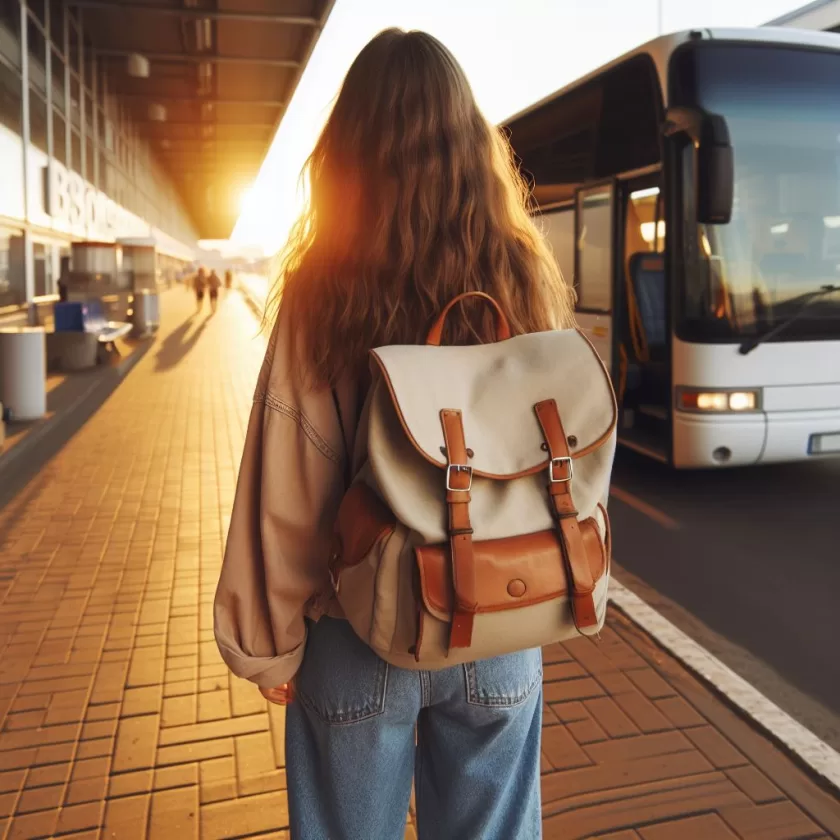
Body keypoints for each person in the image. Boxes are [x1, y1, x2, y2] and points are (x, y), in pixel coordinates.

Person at [214, 28, 575, 840]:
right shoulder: (519, 272)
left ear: (347, 152)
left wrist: (268, 642)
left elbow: (286, 477)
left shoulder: (323, 290)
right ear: (471, 141)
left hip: (358, 632)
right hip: (497, 617)